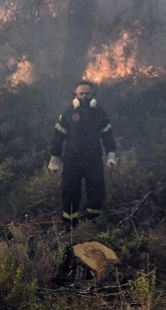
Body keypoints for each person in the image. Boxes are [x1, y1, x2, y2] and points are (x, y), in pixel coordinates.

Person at [47, 80, 117, 227]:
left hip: (94, 160)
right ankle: (70, 224)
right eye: (81, 94)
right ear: (75, 95)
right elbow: (58, 136)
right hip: (73, 160)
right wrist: (54, 158)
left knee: (96, 191)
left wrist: (111, 154)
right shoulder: (67, 113)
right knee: (70, 191)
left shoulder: (100, 113)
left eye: (87, 94)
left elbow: (107, 135)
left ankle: (93, 222)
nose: (84, 96)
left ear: (92, 95)